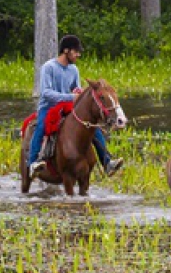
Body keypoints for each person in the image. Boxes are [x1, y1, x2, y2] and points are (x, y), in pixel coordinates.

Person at [26, 35, 123, 178]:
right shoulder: (49, 67)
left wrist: (78, 92)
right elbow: (46, 93)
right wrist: (71, 97)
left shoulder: (74, 69)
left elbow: (75, 88)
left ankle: (107, 162)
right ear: (66, 50)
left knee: (92, 127)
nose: (78, 54)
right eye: (76, 51)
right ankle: (33, 163)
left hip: (68, 107)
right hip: (49, 107)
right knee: (41, 126)